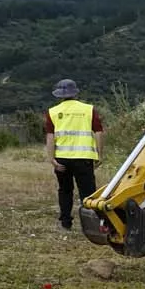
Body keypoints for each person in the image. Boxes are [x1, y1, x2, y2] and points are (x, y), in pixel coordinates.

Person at [44, 78, 103, 231]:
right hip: (84, 158)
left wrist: (52, 159)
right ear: (75, 93)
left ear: (59, 95)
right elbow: (98, 132)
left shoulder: (53, 112)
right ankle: (90, 225)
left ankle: (65, 222)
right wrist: (99, 154)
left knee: (65, 190)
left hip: (62, 159)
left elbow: (50, 137)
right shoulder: (89, 109)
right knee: (88, 193)